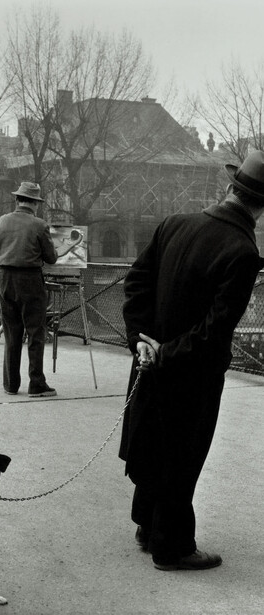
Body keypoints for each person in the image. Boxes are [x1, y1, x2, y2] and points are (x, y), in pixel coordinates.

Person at [119, 150, 264, 571]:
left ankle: (148, 526)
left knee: (150, 442)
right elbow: (215, 329)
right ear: (259, 208)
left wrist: (140, 342)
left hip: (148, 361)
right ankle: (173, 546)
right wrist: (168, 354)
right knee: (182, 457)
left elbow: (137, 283)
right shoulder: (241, 251)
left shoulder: (174, 224)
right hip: (191, 375)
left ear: (229, 188)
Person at [0, 181, 58, 397]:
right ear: (35, 203)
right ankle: (36, 384)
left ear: (17, 200)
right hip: (30, 281)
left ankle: (11, 384)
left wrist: (1, 274)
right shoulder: (39, 225)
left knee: (11, 332)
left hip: (6, 281)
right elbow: (51, 258)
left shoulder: (0, 223)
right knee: (35, 332)